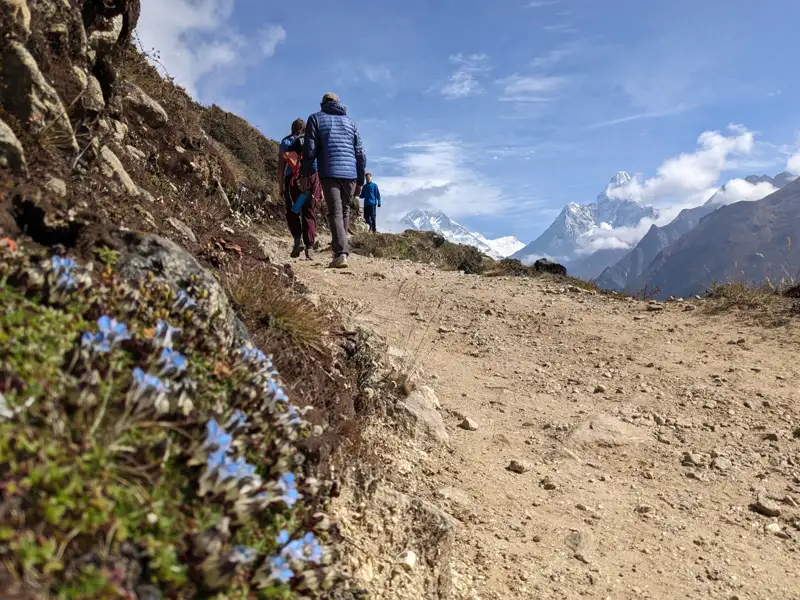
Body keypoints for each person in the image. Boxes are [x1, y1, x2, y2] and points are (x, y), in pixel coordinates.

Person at [298, 93, 366, 269]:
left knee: (335, 212)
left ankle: (341, 253)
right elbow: (360, 154)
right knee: (343, 211)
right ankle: (341, 250)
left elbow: (310, 149)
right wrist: (360, 181)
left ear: (322, 103)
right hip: (350, 174)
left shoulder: (315, 119)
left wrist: (304, 174)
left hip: (329, 170)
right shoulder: (351, 123)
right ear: (338, 103)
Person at [278, 118, 321, 259]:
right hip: (311, 179)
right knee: (308, 212)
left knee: (294, 210)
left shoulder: (286, 142)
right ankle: (309, 248)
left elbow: (281, 167)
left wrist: (281, 187)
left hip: (293, 182)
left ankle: (298, 242)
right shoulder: (312, 140)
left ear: (292, 128)